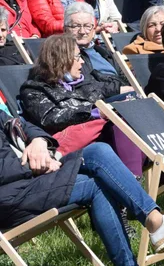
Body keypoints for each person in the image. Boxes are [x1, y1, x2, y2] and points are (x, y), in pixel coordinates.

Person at [1, 106, 164, 266]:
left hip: (28, 182)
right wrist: (37, 165)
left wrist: (39, 141)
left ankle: (155, 222)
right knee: (96, 185)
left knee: (98, 151)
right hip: (11, 196)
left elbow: (19, 124)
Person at [18, 34, 140, 174]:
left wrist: (125, 91)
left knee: (127, 111)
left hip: (99, 137)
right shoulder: (35, 89)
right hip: (74, 145)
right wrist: (95, 112)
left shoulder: (82, 82)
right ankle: (134, 177)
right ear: (61, 60)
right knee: (119, 121)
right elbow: (51, 117)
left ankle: (134, 175)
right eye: (77, 57)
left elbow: (104, 87)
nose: (82, 62)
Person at [64, 3, 128, 85]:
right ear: (65, 29)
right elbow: (84, 87)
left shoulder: (104, 52)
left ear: (94, 30)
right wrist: (119, 89)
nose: (82, 32)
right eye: (76, 26)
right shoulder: (63, 55)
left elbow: (124, 77)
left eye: (87, 26)